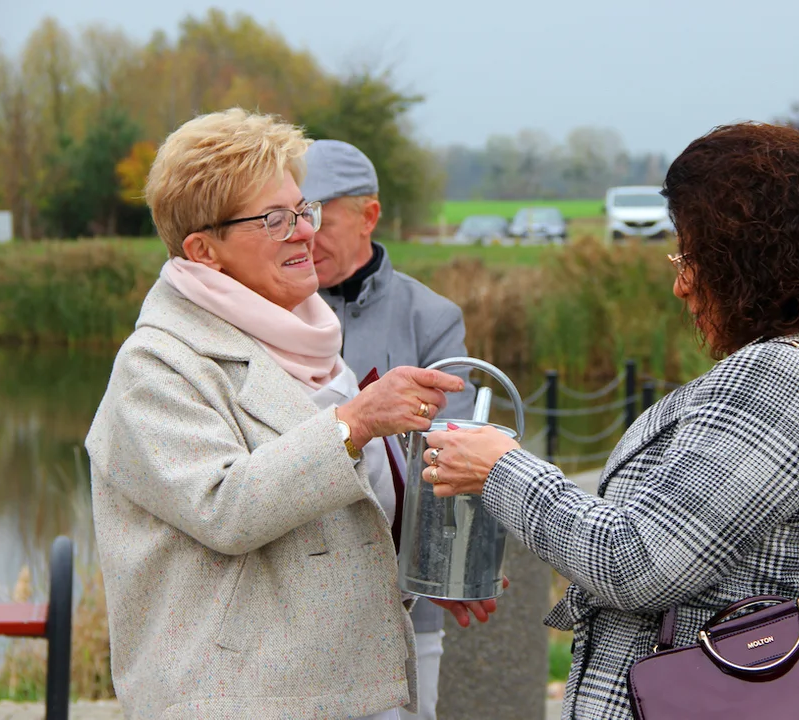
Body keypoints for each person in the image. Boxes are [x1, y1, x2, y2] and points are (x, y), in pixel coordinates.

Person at [416, 122, 799, 718]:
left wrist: (502, 470)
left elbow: (635, 563)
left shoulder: (777, 379)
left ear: (751, 261)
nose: (680, 285)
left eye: (693, 257)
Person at [85, 108, 497, 720]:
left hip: (352, 686)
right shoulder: (157, 365)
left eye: (304, 210)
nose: (305, 231)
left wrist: (427, 568)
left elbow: (342, 520)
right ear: (204, 250)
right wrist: (354, 423)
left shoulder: (309, 346)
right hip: (238, 697)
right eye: (275, 219)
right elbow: (225, 507)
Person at [301, 139, 476, 720]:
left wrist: (447, 567)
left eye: (320, 213)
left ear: (369, 215)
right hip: (292, 602)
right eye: (295, 214)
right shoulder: (275, 313)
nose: (305, 232)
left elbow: (453, 451)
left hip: (403, 603)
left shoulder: (430, 317)